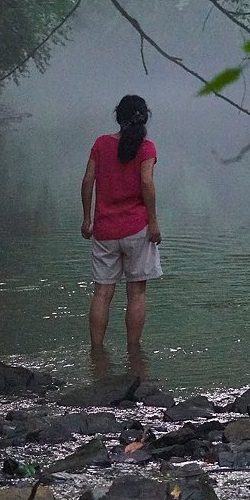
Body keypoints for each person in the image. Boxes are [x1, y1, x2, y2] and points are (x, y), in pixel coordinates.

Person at [80, 94, 162, 353]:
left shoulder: (101, 144)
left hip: (105, 230)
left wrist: (87, 219)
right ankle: (134, 353)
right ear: (144, 118)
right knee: (136, 293)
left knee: (102, 293)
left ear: (118, 117)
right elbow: (147, 183)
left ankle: (96, 352)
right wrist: (153, 222)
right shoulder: (146, 148)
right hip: (137, 229)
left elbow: (87, 181)